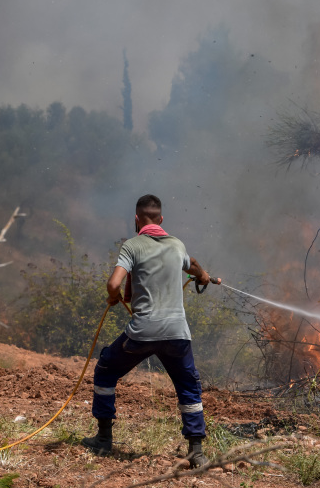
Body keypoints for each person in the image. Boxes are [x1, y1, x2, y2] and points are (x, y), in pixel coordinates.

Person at [82, 194, 219, 467]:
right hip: (177, 333)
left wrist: (114, 296)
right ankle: (197, 453)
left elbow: (113, 285)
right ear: (161, 219)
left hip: (143, 333)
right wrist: (203, 276)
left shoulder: (132, 246)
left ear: (137, 219)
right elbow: (191, 263)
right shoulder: (177, 245)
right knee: (188, 388)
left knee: (106, 369)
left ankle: (104, 439)